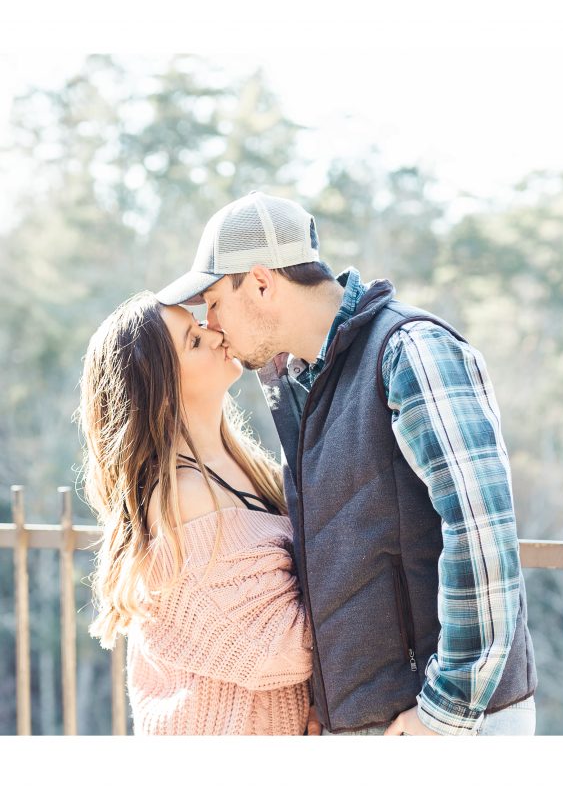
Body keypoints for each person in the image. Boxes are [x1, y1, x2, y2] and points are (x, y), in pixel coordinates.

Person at [156, 191, 537, 735]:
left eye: (214, 300)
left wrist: (447, 711)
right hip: (377, 726)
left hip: (450, 725)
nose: (211, 322)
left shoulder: (410, 350)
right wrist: (329, 702)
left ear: (261, 282)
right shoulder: (299, 389)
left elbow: (481, 533)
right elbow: (343, 557)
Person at [78, 292, 316, 735]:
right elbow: (281, 650)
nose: (214, 331)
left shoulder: (245, 464)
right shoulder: (181, 500)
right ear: (162, 390)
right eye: (193, 340)